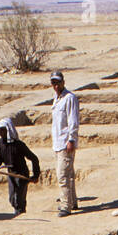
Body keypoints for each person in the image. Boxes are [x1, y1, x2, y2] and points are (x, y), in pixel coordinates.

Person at [0, 118, 40, 216]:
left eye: (2, 130)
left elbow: (34, 158)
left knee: (19, 199)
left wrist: (35, 175)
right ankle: (18, 212)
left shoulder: (19, 145)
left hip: (21, 173)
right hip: (10, 172)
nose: (0, 133)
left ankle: (21, 214)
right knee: (12, 198)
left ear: (8, 130)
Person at [50, 70, 80, 216]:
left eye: (58, 82)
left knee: (62, 176)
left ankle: (65, 206)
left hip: (65, 142)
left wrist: (71, 139)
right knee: (69, 174)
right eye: (53, 83)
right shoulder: (56, 99)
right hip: (58, 143)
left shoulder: (70, 98)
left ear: (63, 82)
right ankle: (72, 202)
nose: (55, 86)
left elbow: (73, 120)